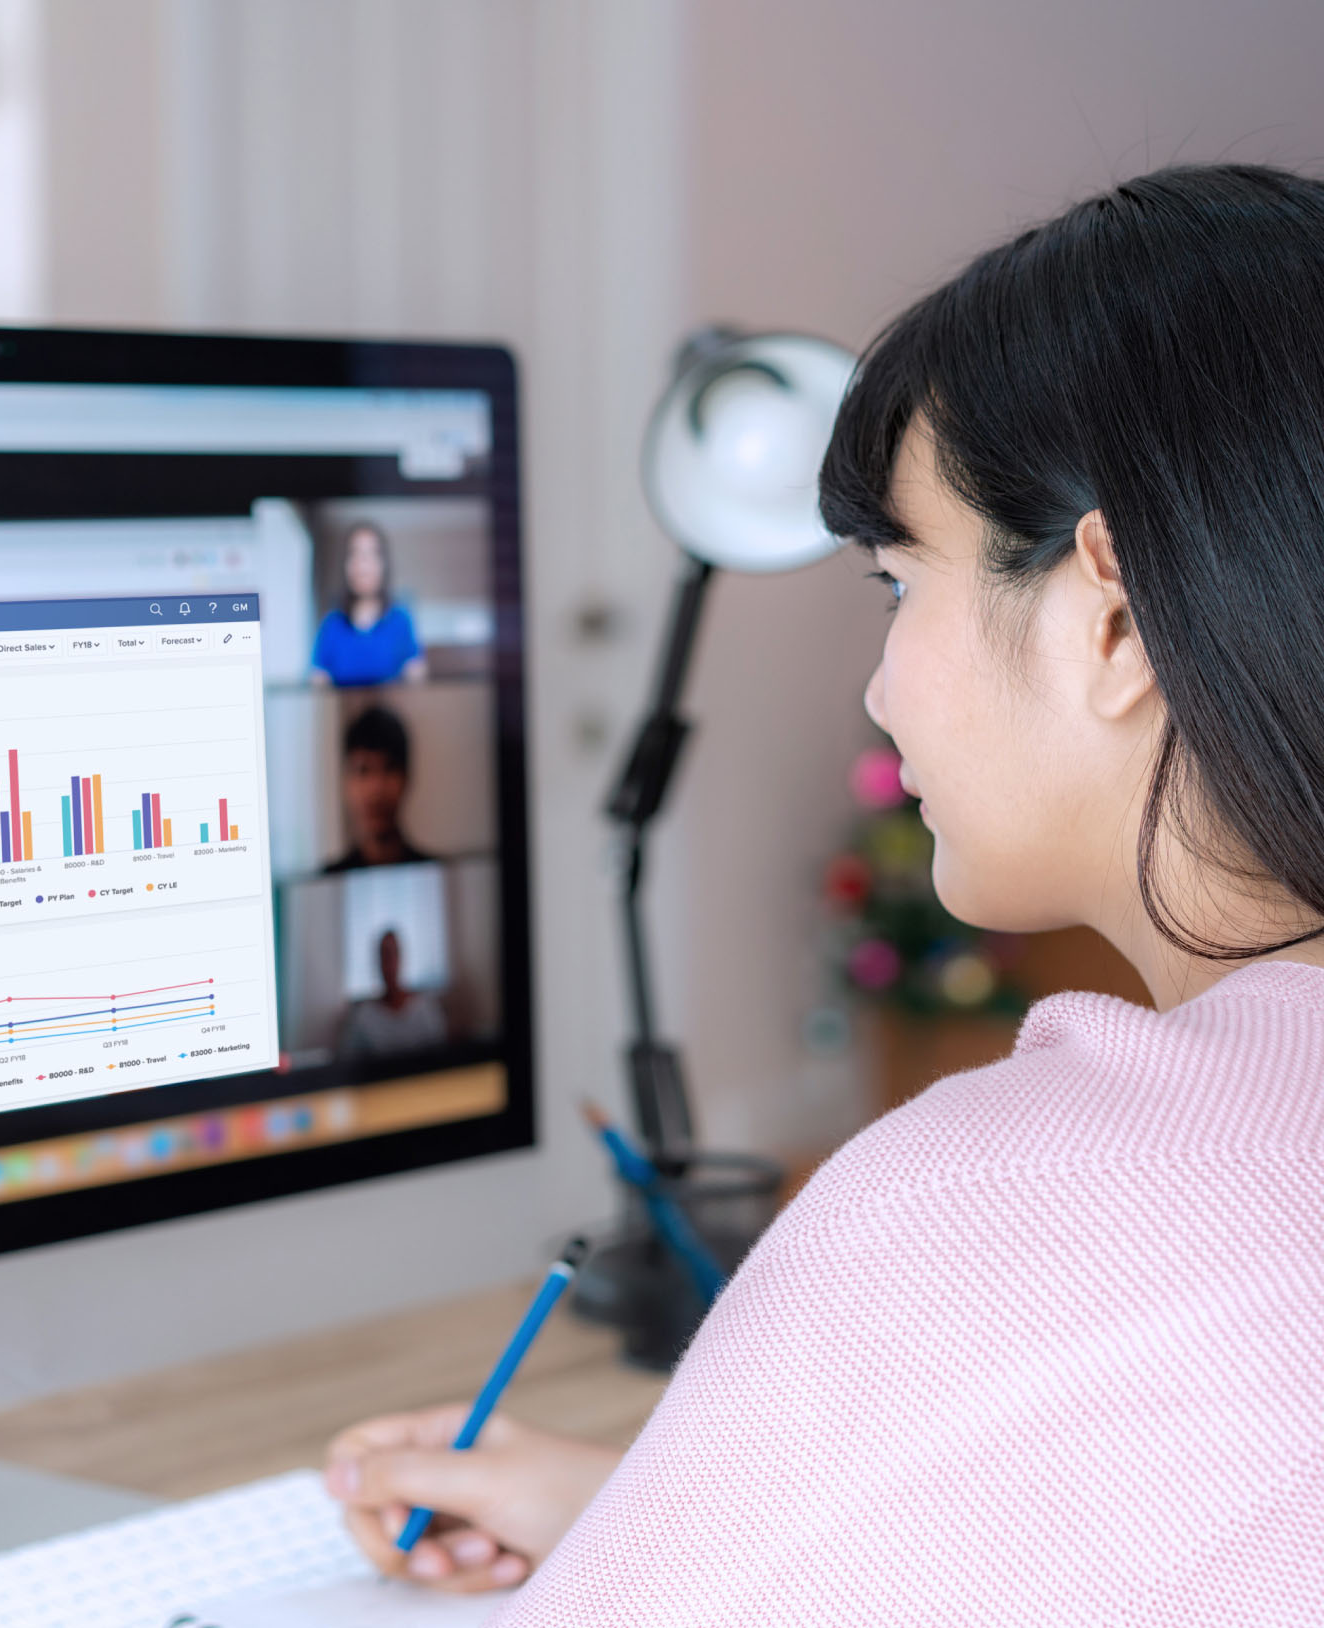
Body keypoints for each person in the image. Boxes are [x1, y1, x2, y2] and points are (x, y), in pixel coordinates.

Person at [323, 164, 1324, 1622]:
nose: (878, 683)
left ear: (1110, 616)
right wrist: (679, 1504)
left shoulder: (1015, 1205)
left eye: (897, 585)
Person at [310, 520, 428, 686]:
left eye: (371, 554)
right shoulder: (331, 624)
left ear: (384, 564)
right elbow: (318, 684)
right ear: (346, 565)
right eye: (355, 554)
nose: (362, 564)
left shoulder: (401, 620)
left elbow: (416, 679)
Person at [324, 705, 434, 871]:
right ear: (346, 782)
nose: (377, 789)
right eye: (363, 770)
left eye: (389, 769)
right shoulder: (329, 878)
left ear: (406, 778)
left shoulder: (433, 871)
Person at [337, 928, 450, 1058]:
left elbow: (442, 1058)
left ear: (401, 958)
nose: (389, 964)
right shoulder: (363, 1018)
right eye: (384, 956)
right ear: (377, 962)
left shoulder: (426, 1009)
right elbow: (347, 1063)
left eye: (392, 955)